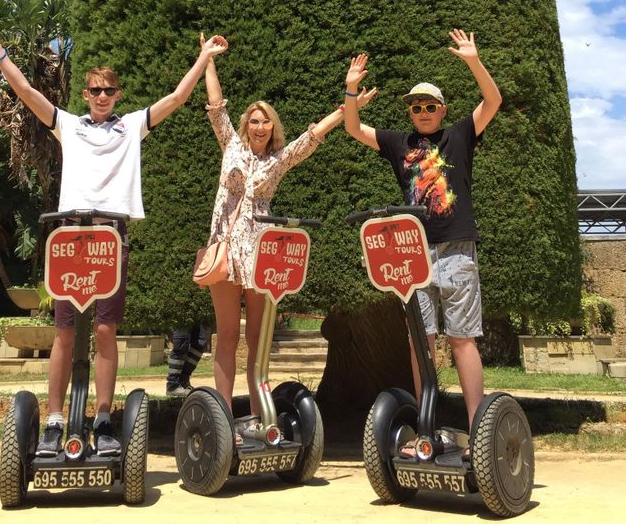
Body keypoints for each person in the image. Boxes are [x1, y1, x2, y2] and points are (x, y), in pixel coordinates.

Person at [0, 23, 228, 456]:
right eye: (95, 90)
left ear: (118, 95)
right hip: (71, 237)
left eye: (109, 90)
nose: (102, 96)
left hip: (111, 236)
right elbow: (29, 94)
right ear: (86, 94)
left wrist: (204, 58)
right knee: (65, 333)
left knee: (106, 329)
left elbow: (177, 99)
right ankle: (55, 421)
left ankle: (105, 419)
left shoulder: (131, 127)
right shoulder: (68, 126)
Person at [200, 34, 375, 443]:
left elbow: (312, 137)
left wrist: (349, 106)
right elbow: (216, 107)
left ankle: (262, 416)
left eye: (267, 122)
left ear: (273, 128)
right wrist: (208, 59)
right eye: (254, 121)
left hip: (260, 254)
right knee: (226, 336)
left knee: (258, 341)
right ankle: (223, 418)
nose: (260, 127)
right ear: (245, 126)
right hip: (225, 250)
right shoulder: (229, 145)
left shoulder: (279, 160)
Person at [343, 28, 502, 455]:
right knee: (422, 341)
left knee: (463, 339)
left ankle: (478, 432)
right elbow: (353, 128)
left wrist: (473, 60)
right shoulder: (399, 143)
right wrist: (351, 89)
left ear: (441, 109)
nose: (423, 111)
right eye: (416, 106)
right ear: (411, 112)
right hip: (414, 256)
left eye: (430, 105)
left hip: (456, 251)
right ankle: (426, 430)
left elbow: (493, 102)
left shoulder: (459, 134)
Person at [166, 322, 208, 397]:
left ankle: (183, 381)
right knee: (181, 343)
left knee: (200, 342)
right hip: (182, 313)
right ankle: (172, 385)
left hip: (198, 313)